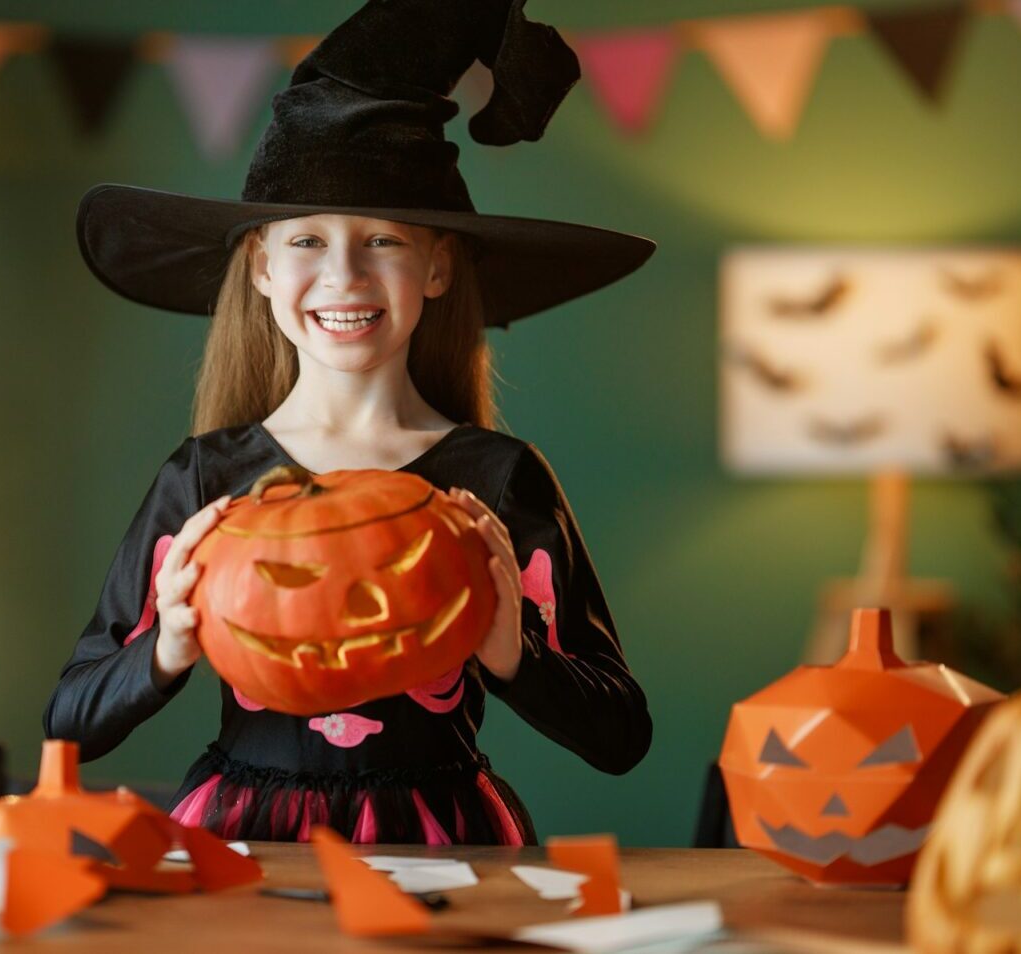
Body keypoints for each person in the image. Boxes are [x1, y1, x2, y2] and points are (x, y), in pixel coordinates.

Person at [44, 0, 655, 845]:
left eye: (384, 242)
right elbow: (69, 721)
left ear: (438, 267)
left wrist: (515, 650)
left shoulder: (498, 479)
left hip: (443, 840)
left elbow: (621, 736)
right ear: (259, 267)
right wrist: (167, 649)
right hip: (243, 838)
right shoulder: (205, 479)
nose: (344, 276)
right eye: (306, 243)